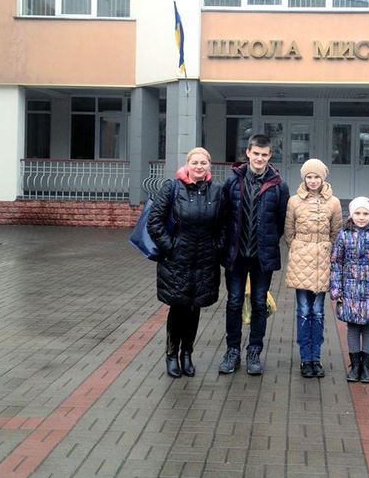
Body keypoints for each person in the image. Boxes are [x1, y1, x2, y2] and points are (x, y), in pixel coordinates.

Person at [147, 147, 225, 378]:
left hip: (204, 260)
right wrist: (170, 247)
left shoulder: (216, 191)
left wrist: (217, 247)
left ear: (209, 165)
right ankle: (171, 355)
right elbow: (155, 221)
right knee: (178, 306)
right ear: (187, 165)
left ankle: (187, 354)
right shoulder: (172, 188)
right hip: (177, 260)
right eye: (195, 163)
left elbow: (224, 224)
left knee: (194, 307)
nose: (199, 167)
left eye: (203, 163)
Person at [219, 134, 289, 376]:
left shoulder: (278, 185)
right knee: (234, 302)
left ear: (270, 156)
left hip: (262, 257)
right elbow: (224, 217)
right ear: (248, 153)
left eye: (264, 154)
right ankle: (232, 351)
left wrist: (266, 242)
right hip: (236, 256)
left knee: (259, 303)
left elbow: (280, 222)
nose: (259, 158)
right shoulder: (232, 181)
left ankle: (254, 352)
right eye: (256, 153)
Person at [284, 159, 342, 379]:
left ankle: (316, 358)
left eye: (316, 176)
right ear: (304, 178)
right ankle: (304, 358)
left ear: (323, 178)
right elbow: (289, 232)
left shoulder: (333, 203)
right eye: (309, 176)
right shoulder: (294, 201)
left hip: (322, 262)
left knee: (317, 312)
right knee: (303, 311)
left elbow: (336, 232)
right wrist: (300, 248)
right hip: (301, 261)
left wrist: (324, 249)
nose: (313, 180)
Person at [330, 196, 369, 384]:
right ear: (351, 214)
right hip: (350, 289)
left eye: (365, 213)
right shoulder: (343, 235)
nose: (361, 217)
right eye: (357, 213)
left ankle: (366, 366)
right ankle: (355, 365)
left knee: (368, 328)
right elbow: (336, 263)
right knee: (352, 327)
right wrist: (336, 289)